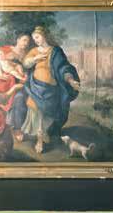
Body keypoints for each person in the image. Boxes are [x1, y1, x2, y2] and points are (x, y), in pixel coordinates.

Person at [18, 26, 80, 154]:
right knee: (37, 112)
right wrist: (34, 59)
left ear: (44, 35)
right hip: (35, 87)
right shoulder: (34, 51)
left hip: (51, 89)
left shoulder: (55, 51)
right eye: (34, 38)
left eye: (37, 37)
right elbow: (25, 63)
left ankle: (45, 134)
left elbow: (63, 68)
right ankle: (39, 139)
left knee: (47, 113)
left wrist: (70, 80)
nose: (36, 40)